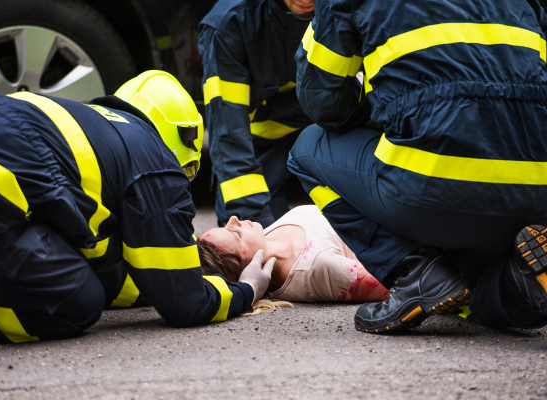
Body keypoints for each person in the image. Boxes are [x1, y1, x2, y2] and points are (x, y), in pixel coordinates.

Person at [0, 71, 275, 346]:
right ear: (182, 150)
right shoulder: (157, 164)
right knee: (76, 302)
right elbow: (185, 302)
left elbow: (117, 270)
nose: (233, 218)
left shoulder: (86, 127)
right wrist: (246, 289)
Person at [289, 0, 547, 333]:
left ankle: (414, 272)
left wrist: (386, 117)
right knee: (478, 291)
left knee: (307, 149)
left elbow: (323, 100)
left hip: (432, 188)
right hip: (535, 194)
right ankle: (520, 281)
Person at [198, 0, 315, 229]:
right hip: (259, 144)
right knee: (265, 235)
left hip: (325, 133)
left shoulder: (350, 10)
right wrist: (258, 224)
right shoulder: (229, 24)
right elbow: (229, 136)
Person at [197, 205, 389, 311]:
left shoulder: (265, 237)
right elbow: (401, 285)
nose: (233, 220)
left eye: (225, 227)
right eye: (236, 235)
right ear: (249, 267)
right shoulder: (318, 267)